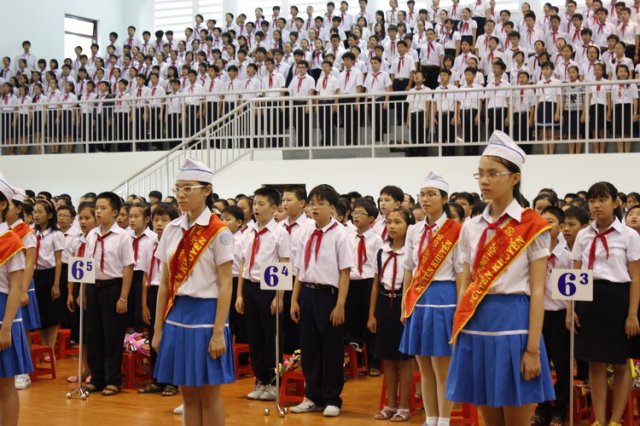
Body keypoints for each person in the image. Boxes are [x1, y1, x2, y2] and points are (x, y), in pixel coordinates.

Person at [446, 131, 555, 425]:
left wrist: (532, 349)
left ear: (515, 177)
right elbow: (466, 281)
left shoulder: (533, 226)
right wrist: (459, 325)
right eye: (480, 174)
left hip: (515, 324)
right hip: (476, 325)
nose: (484, 181)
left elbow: (538, 290)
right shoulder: (471, 227)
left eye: (493, 173)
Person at [152, 158, 235, 425]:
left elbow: (226, 284)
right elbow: (165, 284)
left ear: (207, 190)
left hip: (207, 316)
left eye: (188, 188)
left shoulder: (219, 232)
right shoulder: (172, 230)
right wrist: (157, 329)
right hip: (177, 315)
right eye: (178, 188)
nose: (181, 195)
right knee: (187, 394)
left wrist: (218, 332)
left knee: (209, 395)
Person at [569, 181, 640, 426]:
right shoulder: (583, 234)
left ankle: (615, 420)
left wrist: (633, 314)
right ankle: (599, 420)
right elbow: (574, 273)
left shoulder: (629, 236)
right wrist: (571, 308)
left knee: (621, 362)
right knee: (595, 363)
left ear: (615, 202)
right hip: (588, 298)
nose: (596, 205)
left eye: (602, 200)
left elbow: (636, 277)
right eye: (592, 201)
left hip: (618, 299)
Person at [399, 171, 462, 426]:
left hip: (444, 298)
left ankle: (444, 421)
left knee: (442, 369)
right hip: (418, 298)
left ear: (444, 198)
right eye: (422, 194)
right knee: (424, 367)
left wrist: (461, 308)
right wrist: (405, 303)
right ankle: (431, 418)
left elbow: (461, 273)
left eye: (431, 194)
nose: (425, 199)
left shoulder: (456, 231)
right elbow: (408, 268)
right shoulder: (413, 230)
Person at [289, 184, 354, 417]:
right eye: (312, 203)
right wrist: (294, 300)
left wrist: (340, 305)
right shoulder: (305, 231)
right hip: (307, 293)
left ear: (332, 208)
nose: (315, 208)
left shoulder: (340, 234)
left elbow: (345, 272)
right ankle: (312, 396)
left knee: (332, 350)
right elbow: (299, 268)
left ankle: (332, 398)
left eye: (321, 203)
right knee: (309, 349)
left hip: (329, 295)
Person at [235, 187, 290, 401]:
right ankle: (260, 380)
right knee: (254, 336)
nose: (256, 208)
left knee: (271, 337)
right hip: (250, 286)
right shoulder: (248, 232)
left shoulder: (280, 232)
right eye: (254, 204)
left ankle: (274, 382)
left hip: (269, 287)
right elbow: (242, 264)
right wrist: (240, 294)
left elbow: (284, 262)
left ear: (274, 208)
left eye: (261, 204)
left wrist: (279, 296)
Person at [82, 192, 135, 396]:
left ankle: (113, 380)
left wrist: (123, 297)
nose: (98, 212)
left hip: (113, 287)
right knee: (93, 334)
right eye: (97, 208)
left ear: (114, 212)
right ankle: (97, 378)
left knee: (112, 335)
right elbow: (86, 265)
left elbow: (128, 267)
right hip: (93, 287)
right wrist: (83, 292)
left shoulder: (123, 236)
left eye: (103, 208)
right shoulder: (91, 235)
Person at [368, 207, 415, 422]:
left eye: (398, 222)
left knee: (404, 359)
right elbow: (375, 285)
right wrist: (372, 314)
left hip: (404, 305)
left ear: (409, 226)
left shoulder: (411, 252)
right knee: (387, 358)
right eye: (389, 222)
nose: (392, 226)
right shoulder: (381, 251)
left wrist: (407, 309)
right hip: (384, 303)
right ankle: (390, 404)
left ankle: (404, 406)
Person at [531, 206, 572, 426]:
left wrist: (571, 312)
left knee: (563, 365)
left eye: (550, 222)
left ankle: (560, 408)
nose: (545, 226)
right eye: (542, 221)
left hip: (561, 316)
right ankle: (542, 406)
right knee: (540, 363)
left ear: (561, 226)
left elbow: (575, 290)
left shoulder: (568, 255)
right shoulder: (533, 249)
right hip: (539, 314)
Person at [0, 176, 33, 426]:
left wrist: (6, 328)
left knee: (5, 383)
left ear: (3, 204)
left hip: (3, 312)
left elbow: (15, 288)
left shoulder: (10, 240)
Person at [138, 203, 179, 397]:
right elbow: (145, 276)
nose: (159, 224)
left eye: (164, 220)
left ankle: (173, 381)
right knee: (154, 335)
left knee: (170, 337)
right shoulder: (149, 243)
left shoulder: (178, 242)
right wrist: (144, 303)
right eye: (156, 220)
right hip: (154, 291)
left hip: (172, 292)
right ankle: (157, 378)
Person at [5, 189, 37, 390]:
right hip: (8, 283)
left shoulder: (25, 232)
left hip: (22, 282)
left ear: (18, 209)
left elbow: (30, 262)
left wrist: (24, 289)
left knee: (21, 327)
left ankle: (23, 372)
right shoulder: (6, 231)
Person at [347, 198, 383, 376]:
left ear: (371, 219)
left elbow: (378, 266)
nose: (356, 216)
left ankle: (374, 361)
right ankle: (357, 360)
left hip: (368, 283)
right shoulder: (348, 237)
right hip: (351, 283)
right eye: (354, 213)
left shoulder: (376, 240)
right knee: (352, 322)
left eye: (361, 213)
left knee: (369, 322)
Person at [32, 199, 64, 350]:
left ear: (50, 215)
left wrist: (56, 284)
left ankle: (50, 348)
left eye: (40, 212)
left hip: (50, 274)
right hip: (35, 274)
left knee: (51, 314)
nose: (36, 215)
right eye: (34, 212)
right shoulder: (33, 232)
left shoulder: (56, 234)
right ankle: (43, 346)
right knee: (40, 312)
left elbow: (58, 260)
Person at [128, 203, 157, 330]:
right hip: (128, 273)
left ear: (147, 219)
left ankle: (141, 331)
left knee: (141, 305)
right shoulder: (126, 236)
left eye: (136, 216)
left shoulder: (153, 238)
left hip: (144, 274)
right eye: (130, 216)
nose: (132, 220)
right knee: (129, 304)